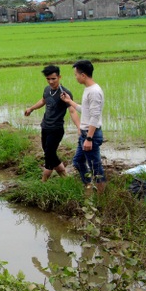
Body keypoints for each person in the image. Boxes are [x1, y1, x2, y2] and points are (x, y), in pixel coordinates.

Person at [24, 64, 78, 182]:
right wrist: (31, 109)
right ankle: (65, 176)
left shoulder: (65, 94)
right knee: (50, 153)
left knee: (49, 155)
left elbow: (72, 111)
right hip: (45, 126)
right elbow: (43, 100)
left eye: (53, 79)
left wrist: (79, 127)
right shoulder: (47, 90)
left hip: (56, 129)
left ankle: (43, 181)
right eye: (48, 79)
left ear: (59, 77)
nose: (51, 81)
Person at [62, 59, 107, 194]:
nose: (75, 77)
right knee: (78, 161)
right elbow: (85, 111)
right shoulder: (88, 89)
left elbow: (94, 116)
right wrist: (69, 101)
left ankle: (101, 197)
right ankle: (88, 186)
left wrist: (89, 138)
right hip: (85, 134)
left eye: (76, 74)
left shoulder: (94, 92)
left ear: (83, 75)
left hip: (90, 134)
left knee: (96, 168)